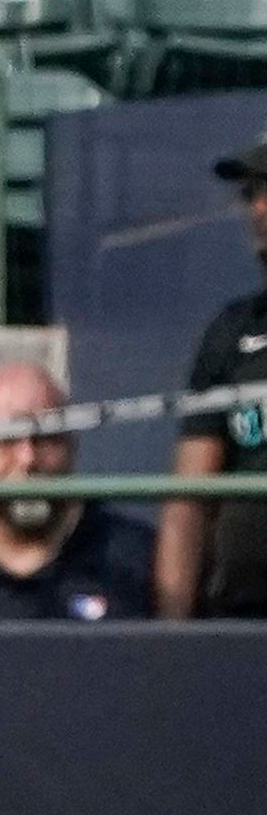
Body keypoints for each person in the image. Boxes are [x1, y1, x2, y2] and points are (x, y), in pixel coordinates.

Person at [0, 359, 161, 621]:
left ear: (72, 445)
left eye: (46, 436)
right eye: (4, 439)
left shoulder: (141, 562)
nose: (27, 458)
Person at [158, 138, 267, 620]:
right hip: (242, 623)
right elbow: (189, 502)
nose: (259, 209)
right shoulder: (232, 331)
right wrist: (170, 640)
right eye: (251, 194)